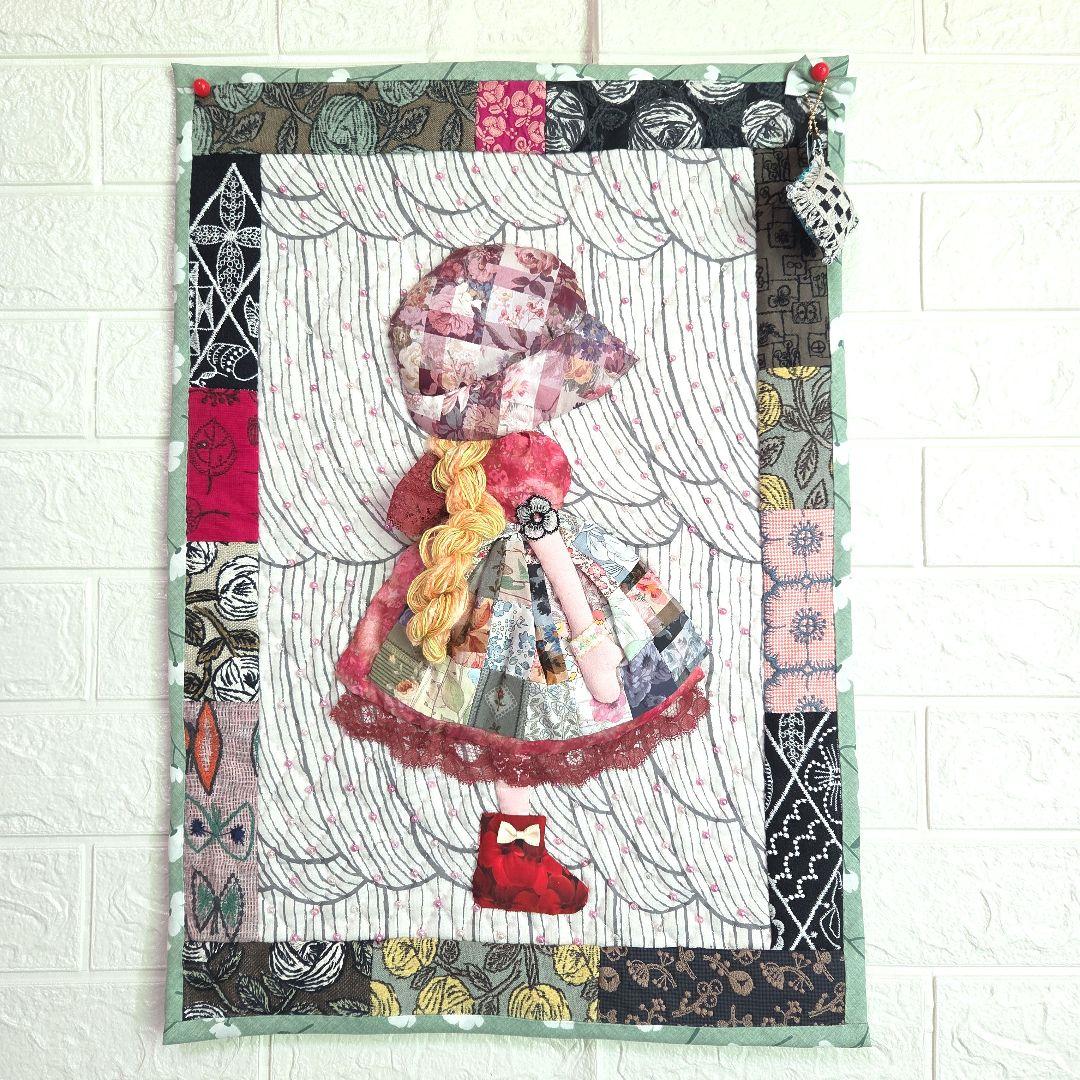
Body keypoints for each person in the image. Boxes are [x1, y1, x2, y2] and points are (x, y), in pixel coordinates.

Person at [332, 243, 709, 916]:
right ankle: (513, 868)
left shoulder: (460, 461)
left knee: (504, 729)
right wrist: (590, 640)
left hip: (475, 606)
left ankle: (512, 866)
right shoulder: (525, 454)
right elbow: (547, 540)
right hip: (527, 612)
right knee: (517, 729)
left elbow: (409, 511)